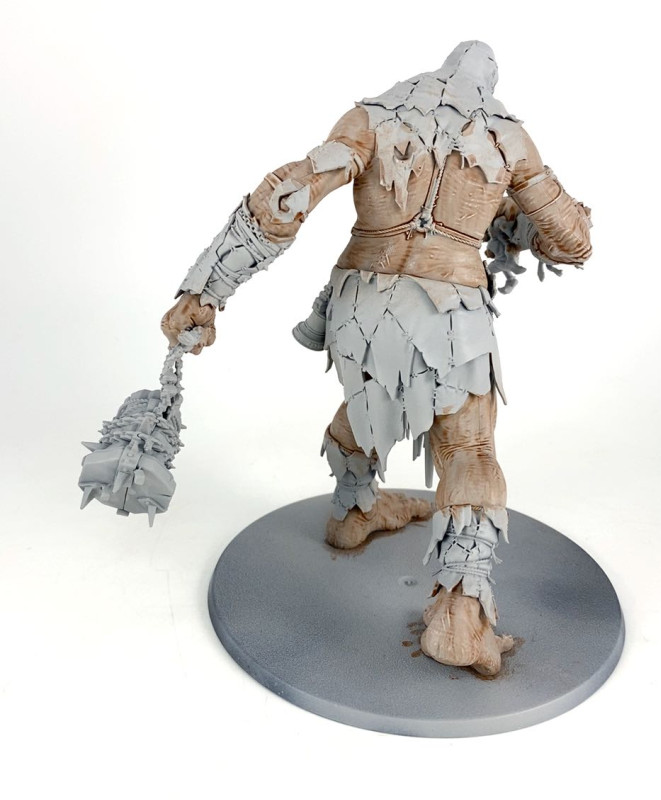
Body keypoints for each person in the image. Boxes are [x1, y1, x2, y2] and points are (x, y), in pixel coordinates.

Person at [161, 41, 592, 675]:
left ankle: (355, 510)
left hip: (356, 305)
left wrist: (205, 291)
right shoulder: (508, 137)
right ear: (490, 83)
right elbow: (573, 243)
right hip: (448, 310)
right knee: (469, 450)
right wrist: (521, 212)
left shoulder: (374, 114)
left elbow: (289, 193)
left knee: (371, 395)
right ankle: (460, 620)